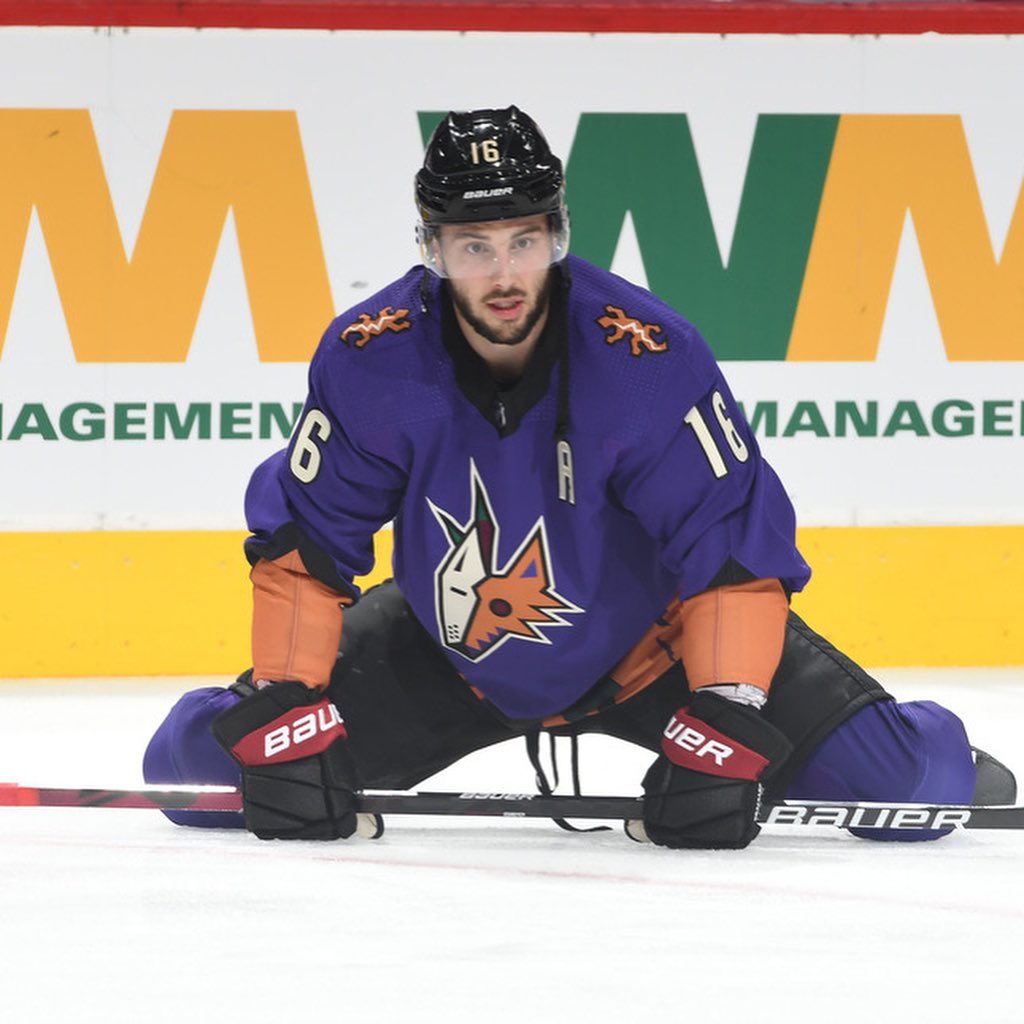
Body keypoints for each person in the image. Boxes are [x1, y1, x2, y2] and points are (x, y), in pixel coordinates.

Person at [144, 105, 1015, 848]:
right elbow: (307, 543)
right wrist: (286, 707)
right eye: (474, 245)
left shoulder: (648, 357)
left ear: (557, 233)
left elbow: (729, 550)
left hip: (658, 647)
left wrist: (726, 717)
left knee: (915, 790)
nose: (504, 274)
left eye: (524, 240)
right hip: (450, 642)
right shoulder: (369, 357)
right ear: (432, 246)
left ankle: (919, 737)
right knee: (197, 775)